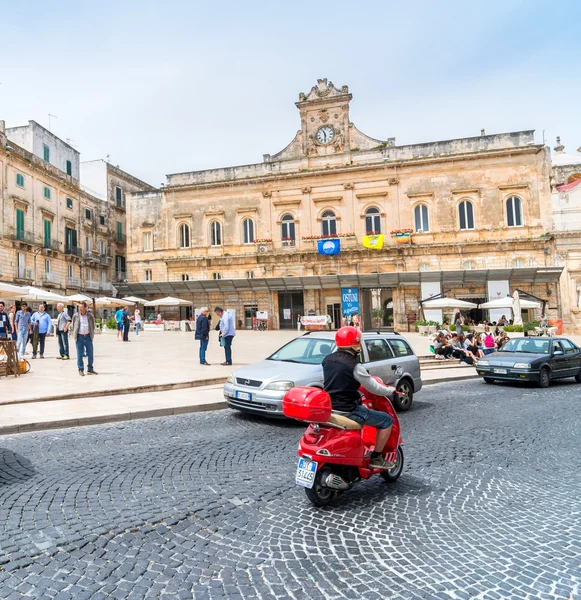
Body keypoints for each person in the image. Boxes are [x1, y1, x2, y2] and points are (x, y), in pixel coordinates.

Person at [322, 326, 396, 470]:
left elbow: (336, 378)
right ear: (356, 344)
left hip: (330, 407)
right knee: (387, 420)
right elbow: (374, 388)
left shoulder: (327, 360)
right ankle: (376, 458)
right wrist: (390, 391)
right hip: (348, 409)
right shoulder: (355, 366)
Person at [71, 301, 97, 376]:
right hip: (79, 337)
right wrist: (75, 334)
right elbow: (73, 325)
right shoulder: (75, 315)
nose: (80, 309)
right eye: (79, 307)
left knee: (90, 353)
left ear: (86, 308)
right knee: (79, 355)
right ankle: (80, 369)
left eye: (82, 307)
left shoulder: (90, 316)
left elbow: (93, 325)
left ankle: (90, 369)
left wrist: (91, 334)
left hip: (88, 336)